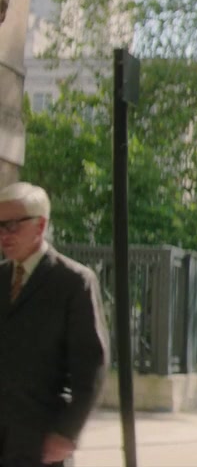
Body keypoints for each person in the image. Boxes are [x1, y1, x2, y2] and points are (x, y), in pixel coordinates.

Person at [0, 182, 107, 467]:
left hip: (40, 439)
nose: (4, 235)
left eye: (12, 225)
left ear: (40, 225)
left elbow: (90, 366)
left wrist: (68, 433)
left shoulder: (73, 282)